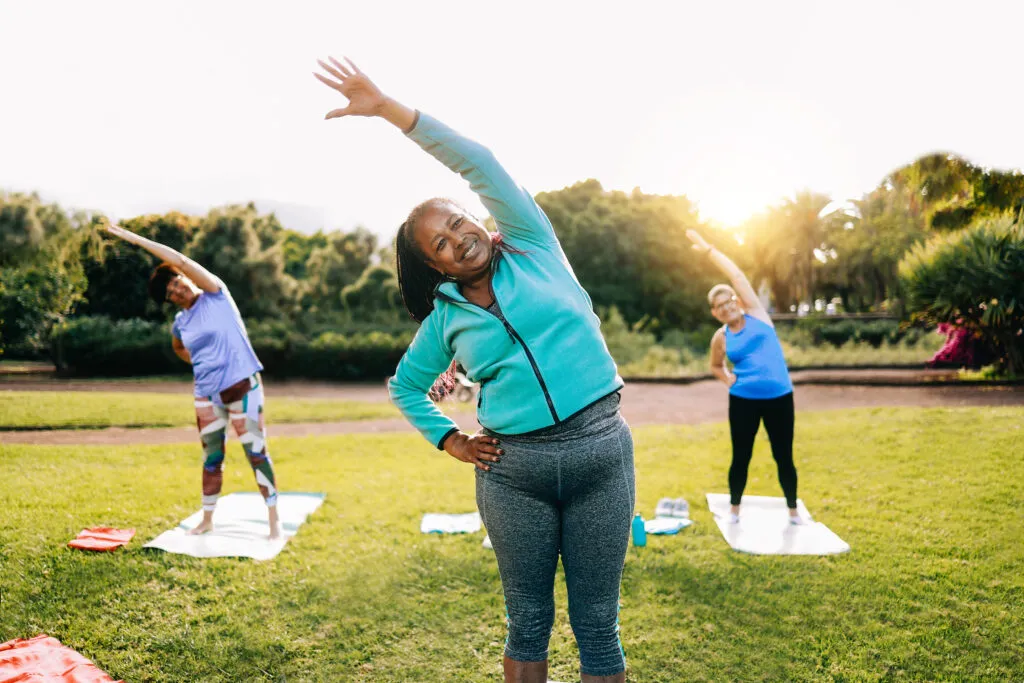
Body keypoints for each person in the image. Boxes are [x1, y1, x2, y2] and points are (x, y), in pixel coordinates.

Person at [314, 56, 634, 683]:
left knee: (598, 624)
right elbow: (404, 387)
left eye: (458, 221)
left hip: (601, 454)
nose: (458, 237)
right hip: (515, 475)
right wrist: (452, 439)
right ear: (435, 266)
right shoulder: (444, 321)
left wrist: (390, 111)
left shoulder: (532, 242)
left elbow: (479, 163)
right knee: (527, 623)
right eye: (440, 242)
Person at [105, 224, 280, 539]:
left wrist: (134, 239)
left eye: (176, 282)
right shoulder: (180, 323)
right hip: (206, 398)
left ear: (184, 277)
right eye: (170, 293)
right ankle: (207, 520)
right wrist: (199, 361)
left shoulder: (216, 294)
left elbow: (181, 261)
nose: (176, 290)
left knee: (256, 453)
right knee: (212, 459)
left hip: (243, 389)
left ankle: (273, 520)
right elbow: (179, 348)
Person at [686, 229, 805, 526]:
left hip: (779, 398)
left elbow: (737, 275)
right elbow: (715, 365)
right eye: (720, 306)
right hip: (743, 402)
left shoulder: (757, 315)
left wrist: (708, 250)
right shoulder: (721, 337)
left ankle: (793, 512)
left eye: (730, 301)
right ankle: (734, 510)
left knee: (783, 455)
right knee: (741, 456)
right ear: (716, 313)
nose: (727, 307)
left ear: (737, 301)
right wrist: (728, 380)